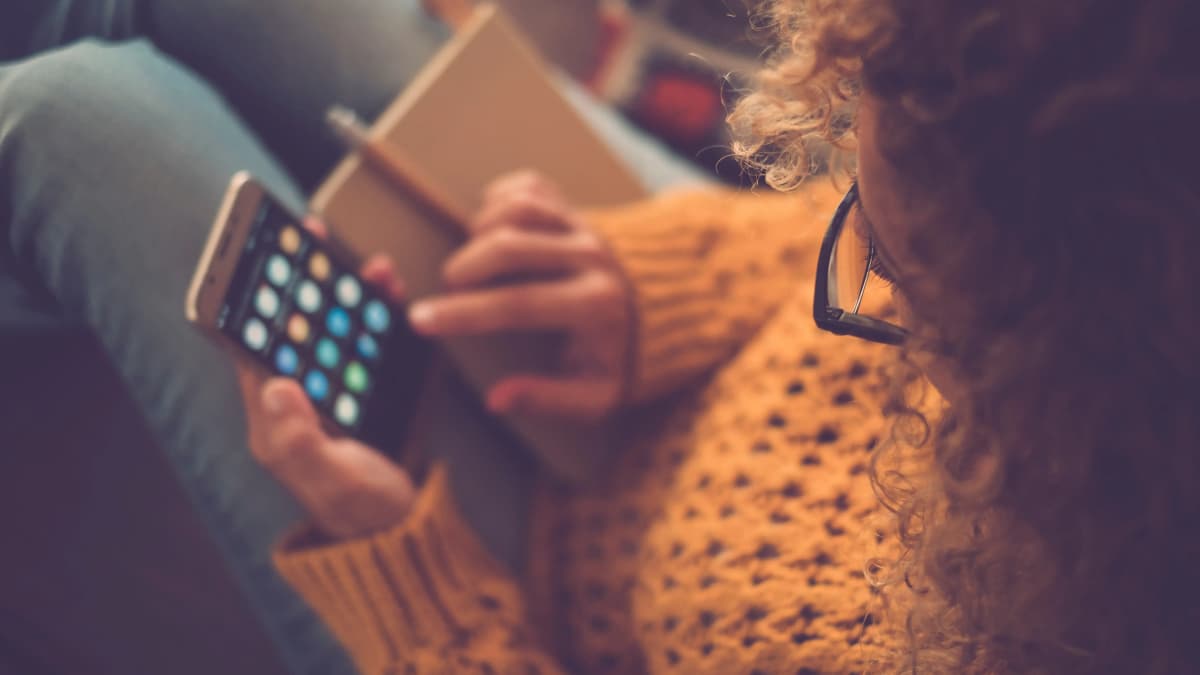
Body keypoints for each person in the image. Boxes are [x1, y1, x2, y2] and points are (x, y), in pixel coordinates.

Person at [254, 0, 1200, 673]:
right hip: (687, 340)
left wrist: (408, 581)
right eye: (855, 193)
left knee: (111, 117)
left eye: (898, 279)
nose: (856, 246)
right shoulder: (1104, 140)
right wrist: (663, 284)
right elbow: (855, 226)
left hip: (501, 574)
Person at [0, 2, 710, 673]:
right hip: (747, 296)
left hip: (553, 594)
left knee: (71, 116)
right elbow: (817, 239)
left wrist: (409, 579)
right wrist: (671, 279)